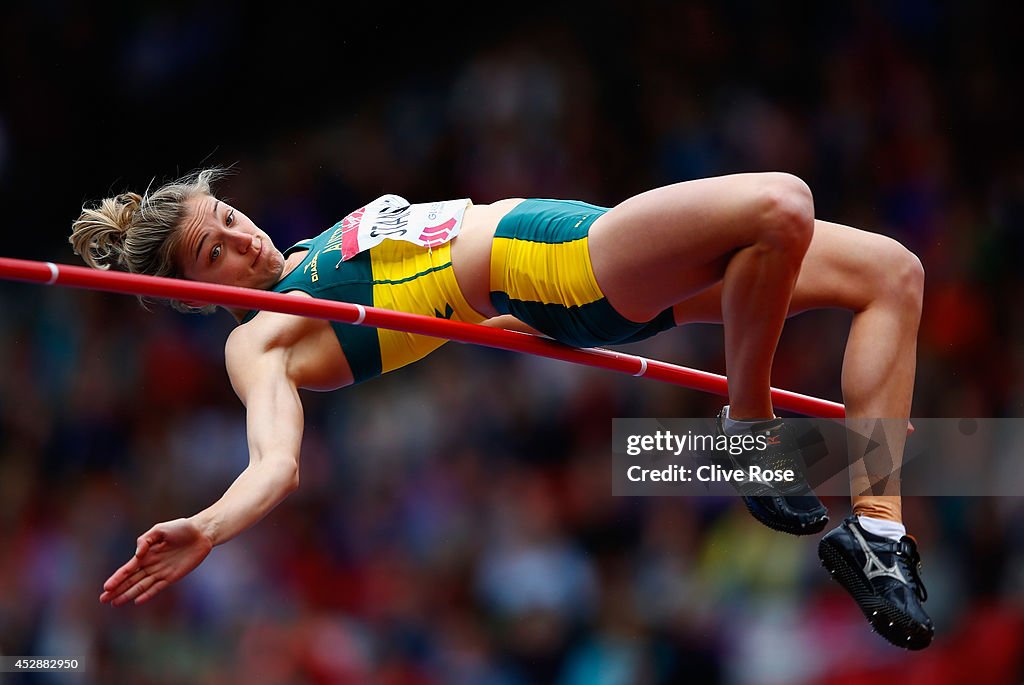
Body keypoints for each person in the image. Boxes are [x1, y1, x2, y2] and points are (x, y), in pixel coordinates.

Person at [70, 168, 933, 649]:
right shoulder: (258, 339)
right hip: (566, 264)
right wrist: (211, 526)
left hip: (577, 241)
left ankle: (881, 537)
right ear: (188, 289)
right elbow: (275, 464)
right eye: (212, 253)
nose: (240, 239)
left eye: (226, 217)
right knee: (781, 203)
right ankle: (746, 429)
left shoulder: (305, 253)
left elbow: (425, 280)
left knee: (891, 274)